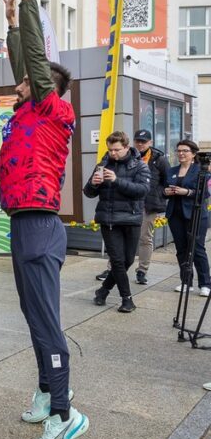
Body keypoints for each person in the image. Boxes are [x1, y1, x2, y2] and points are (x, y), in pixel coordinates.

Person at [0, 0, 88, 439]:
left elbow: (34, 62)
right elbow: (24, 64)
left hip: (38, 225)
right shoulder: (30, 108)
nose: (17, 86)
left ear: (43, 87)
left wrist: (30, 0)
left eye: (26, 82)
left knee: (46, 323)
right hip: (24, 225)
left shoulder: (55, 111)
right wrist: (11, 23)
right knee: (33, 316)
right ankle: (47, 390)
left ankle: (64, 413)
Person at [84, 131, 150, 313]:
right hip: (109, 220)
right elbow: (88, 192)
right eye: (110, 149)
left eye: (117, 150)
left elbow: (143, 190)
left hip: (132, 219)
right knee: (118, 261)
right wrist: (94, 184)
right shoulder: (102, 165)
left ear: (127, 147)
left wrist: (116, 180)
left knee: (128, 260)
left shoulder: (139, 166)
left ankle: (103, 290)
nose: (113, 153)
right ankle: (127, 299)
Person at [95, 129, 169, 285]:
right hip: (123, 203)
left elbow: (166, 182)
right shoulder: (112, 158)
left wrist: (157, 194)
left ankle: (142, 270)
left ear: (150, 143)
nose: (140, 144)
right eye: (138, 141)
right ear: (132, 143)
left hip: (147, 205)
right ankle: (112, 269)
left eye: (144, 141)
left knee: (145, 238)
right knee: (117, 242)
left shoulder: (158, 159)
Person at [165, 139, 210, 297]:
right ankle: (186, 282)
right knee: (181, 249)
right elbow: (162, 188)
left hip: (196, 214)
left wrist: (187, 192)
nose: (181, 153)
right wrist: (166, 192)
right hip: (175, 215)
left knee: (197, 248)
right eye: (179, 151)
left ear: (193, 154)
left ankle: (205, 284)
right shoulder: (172, 170)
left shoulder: (202, 170)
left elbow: (205, 193)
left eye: (185, 151)